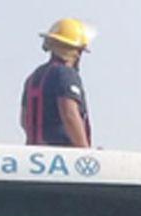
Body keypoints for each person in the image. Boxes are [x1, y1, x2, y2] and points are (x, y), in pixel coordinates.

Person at [20, 18, 95, 148]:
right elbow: (69, 114)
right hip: (62, 158)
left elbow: (24, 120)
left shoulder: (34, 77)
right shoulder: (66, 74)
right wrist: (85, 152)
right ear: (77, 52)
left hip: (36, 154)